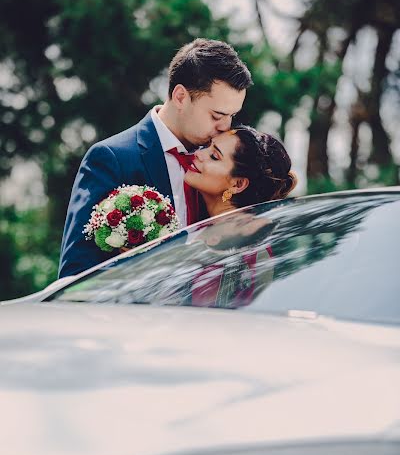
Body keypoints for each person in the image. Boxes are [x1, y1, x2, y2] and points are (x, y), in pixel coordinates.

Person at [58, 38, 252, 278]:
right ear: (181, 97)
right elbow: (74, 276)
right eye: (217, 115)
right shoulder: (112, 159)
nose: (226, 126)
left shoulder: (220, 167)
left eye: (232, 115)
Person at [184, 124, 297, 219]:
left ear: (238, 184)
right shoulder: (192, 209)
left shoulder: (234, 239)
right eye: (207, 145)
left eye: (214, 156)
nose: (198, 153)